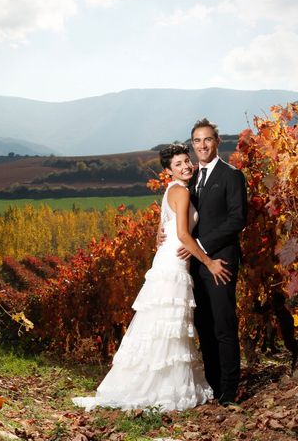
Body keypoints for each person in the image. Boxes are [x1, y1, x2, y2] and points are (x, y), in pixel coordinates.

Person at [72, 143, 231, 412]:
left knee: (162, 324)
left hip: (167, 258)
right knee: (168, 325)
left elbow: (162, 230)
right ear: (168, 170)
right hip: (175, 262)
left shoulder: (172, 190)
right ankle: (163, 388)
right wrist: (208, 262)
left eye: (186, 161)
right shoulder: (180, 191)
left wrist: (164, 237)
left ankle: (159, 383)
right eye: (178, 164)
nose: (185, 166)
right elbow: (182, 235)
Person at [180, 118, 248, 406]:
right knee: (204, 327)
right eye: (197, 140)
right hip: (196, 264)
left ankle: (230, 390)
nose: (202, 145)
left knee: (223, 325)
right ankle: (214, 384)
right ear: (192, 144)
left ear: (217, 142)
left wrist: (203, 246)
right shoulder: (191, 178)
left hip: (220, 262)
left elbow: (237, 219)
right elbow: (184, 218)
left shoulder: (232, 175)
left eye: (207, 139)